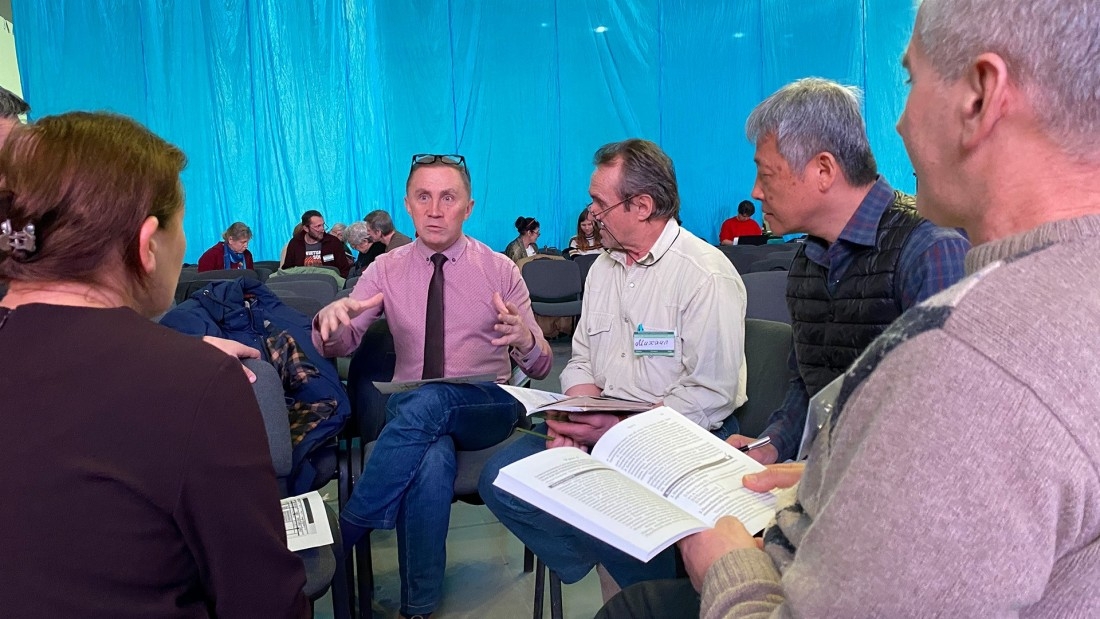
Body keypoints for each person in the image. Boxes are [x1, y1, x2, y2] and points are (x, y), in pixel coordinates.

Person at [599, 0, 1100, 616]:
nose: (899, 125)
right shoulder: (814, 263)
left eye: (911, 81)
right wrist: (782, 450)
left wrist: (729, 566)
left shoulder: (962, 331)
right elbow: (808, 385)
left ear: (980, 96)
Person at [0, 111, 308, 617]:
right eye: (181, 225)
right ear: (147, 245)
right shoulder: (197, 384)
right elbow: (264, 601)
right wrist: (183, 370)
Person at [479, 138, 749, 591]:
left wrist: (618, 430)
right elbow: (582, 358)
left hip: (682, 434)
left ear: (642, 206)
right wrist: (577, 417)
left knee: (616, 509)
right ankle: (622, 564)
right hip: (604, 424)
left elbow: (709, 394)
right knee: (501, 479)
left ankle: (642, 587)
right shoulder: (603, 269)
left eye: (599, 203)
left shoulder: (705, 274)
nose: (590, 214)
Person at [312, 153, 552, 619]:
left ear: (469, 207)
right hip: (414, 414)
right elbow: (344, 338)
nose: (435, 210)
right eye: (424, 197)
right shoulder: (385, 269)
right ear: (407, 204)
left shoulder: (500, 269)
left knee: (430, 402)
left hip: (488, 406)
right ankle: (417, 608)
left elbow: (542, 365)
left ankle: (346, 533)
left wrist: (525, 339)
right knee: (430, 454)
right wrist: (330, 324)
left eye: (448, 198)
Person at [724, 77, 969, 465]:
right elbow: (806, 387)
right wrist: (770, 445)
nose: (755, 191)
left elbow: (942, 425)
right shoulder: (807, 261)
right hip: (828, 474)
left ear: (824, 169)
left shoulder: (930, 251)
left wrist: (812, 476)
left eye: (766, 174)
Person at [281, 209, 352, 277]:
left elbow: (344, 270)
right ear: (306, 228)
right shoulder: (295, 243)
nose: (322, 229)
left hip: (328, 282)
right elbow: (288, 269)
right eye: (318, 226)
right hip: (301, 282)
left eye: (323, 225)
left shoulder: (333, 242)